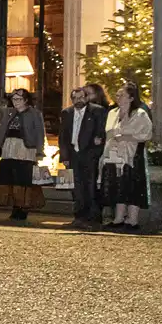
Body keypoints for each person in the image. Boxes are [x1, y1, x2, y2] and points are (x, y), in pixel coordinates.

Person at [0, 88, 45, 221]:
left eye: (19, 99)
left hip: (25, 148)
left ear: (25, 100)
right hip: (9, 147)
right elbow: (1, 130)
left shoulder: (35, 114)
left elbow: (39, 133)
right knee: (10, 178)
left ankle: (23, 207)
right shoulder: (8, 113)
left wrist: (40, 151)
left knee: (23, 178)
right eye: (14, 99)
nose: (16, 102)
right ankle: (15, 207)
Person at [100, 82, 153, 229]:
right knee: (117, 185)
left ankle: (133, 219)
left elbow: (146, 134)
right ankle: (118, 217)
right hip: (114, 154)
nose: (118, 97)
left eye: (121, 95)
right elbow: (109, 132)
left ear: (130, 97)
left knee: (132, 185)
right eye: (117, 95)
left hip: (132, 155)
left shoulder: (140, 113)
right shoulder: (112, 113)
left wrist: (125, 136)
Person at [58, 85, 108, 227]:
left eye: (81, 97)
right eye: (75, 98)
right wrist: (65, 157)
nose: (78, 100)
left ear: (86, 98)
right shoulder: (66, 113)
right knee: (76, 187)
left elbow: (101, 132)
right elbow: (63, 136)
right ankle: (79, 216)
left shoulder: (97, 111)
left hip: (90, 153)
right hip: (74, 154)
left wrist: (97, 149)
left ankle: (92, 218)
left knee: (90, 186)